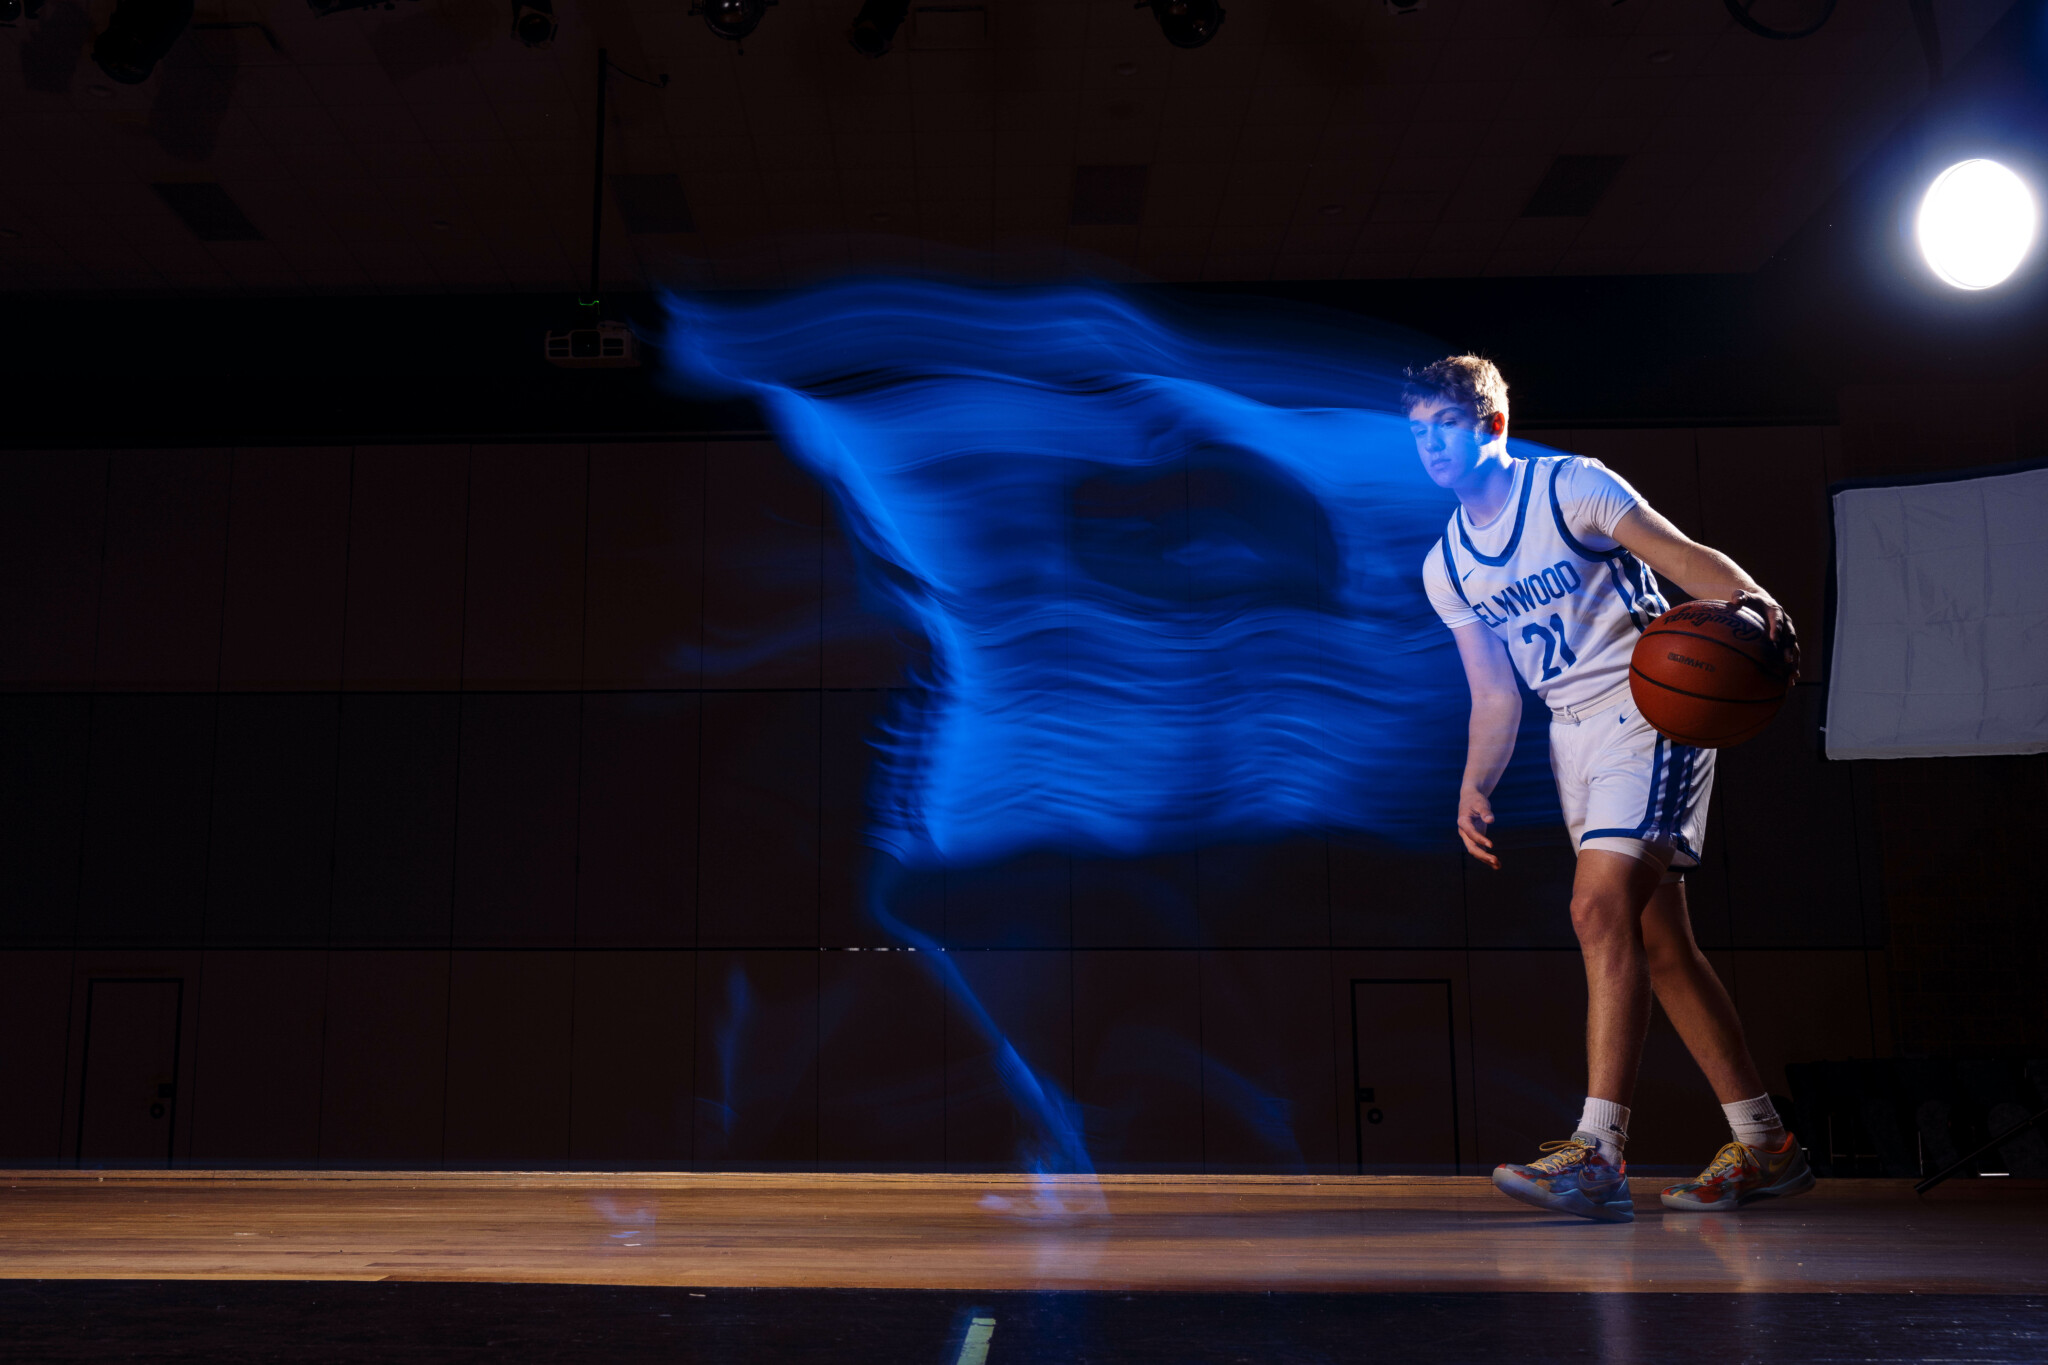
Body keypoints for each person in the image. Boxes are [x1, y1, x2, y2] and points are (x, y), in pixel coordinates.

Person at [1407, 355, 1814, 1223]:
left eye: (1441, 426)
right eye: (1415, 433)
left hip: (1650, 705)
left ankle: (1597, 1152)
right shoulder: (1449, 564)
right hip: (1569, 733)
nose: (1427, 446)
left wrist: (1755, 606)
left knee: (1595, 909)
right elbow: (1493, 691)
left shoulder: (1571, 489)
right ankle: (1767, 1144)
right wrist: (1472, 783)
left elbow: (1685, 559)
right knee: (1659, 943)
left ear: (1490, 426)